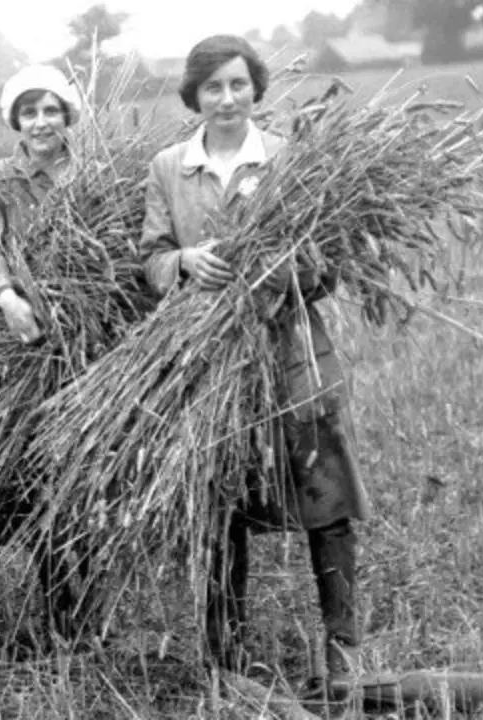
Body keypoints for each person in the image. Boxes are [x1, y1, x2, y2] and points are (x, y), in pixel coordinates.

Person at [139, 34, 369, 691]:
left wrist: (280, 268)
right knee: (217, 509)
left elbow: (325, 265)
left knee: (327, 498)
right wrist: (185, 262)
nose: (227, 98)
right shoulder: (167, 167)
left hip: (289, 350)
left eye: (238, 84)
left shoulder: (289, 160)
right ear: (195, 95)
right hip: (207, 359)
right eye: (213, 87)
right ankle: (225, 660)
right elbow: (149, 258)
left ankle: (344, 658)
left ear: (256, 88)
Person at [0, 64, 82, 344]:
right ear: (17, 122)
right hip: (12, 315)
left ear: (65, 116)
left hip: (82, 317)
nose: (41, 123)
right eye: (29, 113)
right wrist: (8, 300)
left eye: (50, 111)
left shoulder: (93, 175)